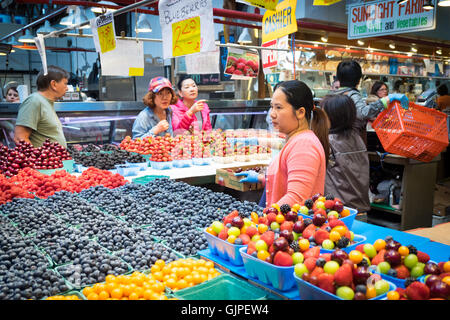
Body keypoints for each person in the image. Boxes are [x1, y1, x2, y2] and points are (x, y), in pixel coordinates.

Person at [236, 80, 330, 207]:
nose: (272, 114)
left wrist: (264, 218)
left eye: (279, 107)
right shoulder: (296, 139)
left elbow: (296, 198)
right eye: (272, 106)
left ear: (300, 112)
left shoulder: (304, 145)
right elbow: (288, 180)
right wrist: (262, 178)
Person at [332, 60, 409, 145]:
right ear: (358, 79)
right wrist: (387, 99)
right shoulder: (352, 95)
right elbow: (363, 113)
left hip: (336, 144)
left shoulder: (333, 95)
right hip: (351, 145)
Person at [321, 94, 370, 218]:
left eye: (323, 114)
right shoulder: (357, 137)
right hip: (361, 210)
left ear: (332, 117)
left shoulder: (328, 142)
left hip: (339, 212)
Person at [14, 65, 69, 148]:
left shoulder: (47, 103)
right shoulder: (34, 101)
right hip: (43, 160)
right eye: (65, 84)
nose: (67, 88)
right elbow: (19, 138)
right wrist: (37, 159)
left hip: (54, 160)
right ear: (53, 84)